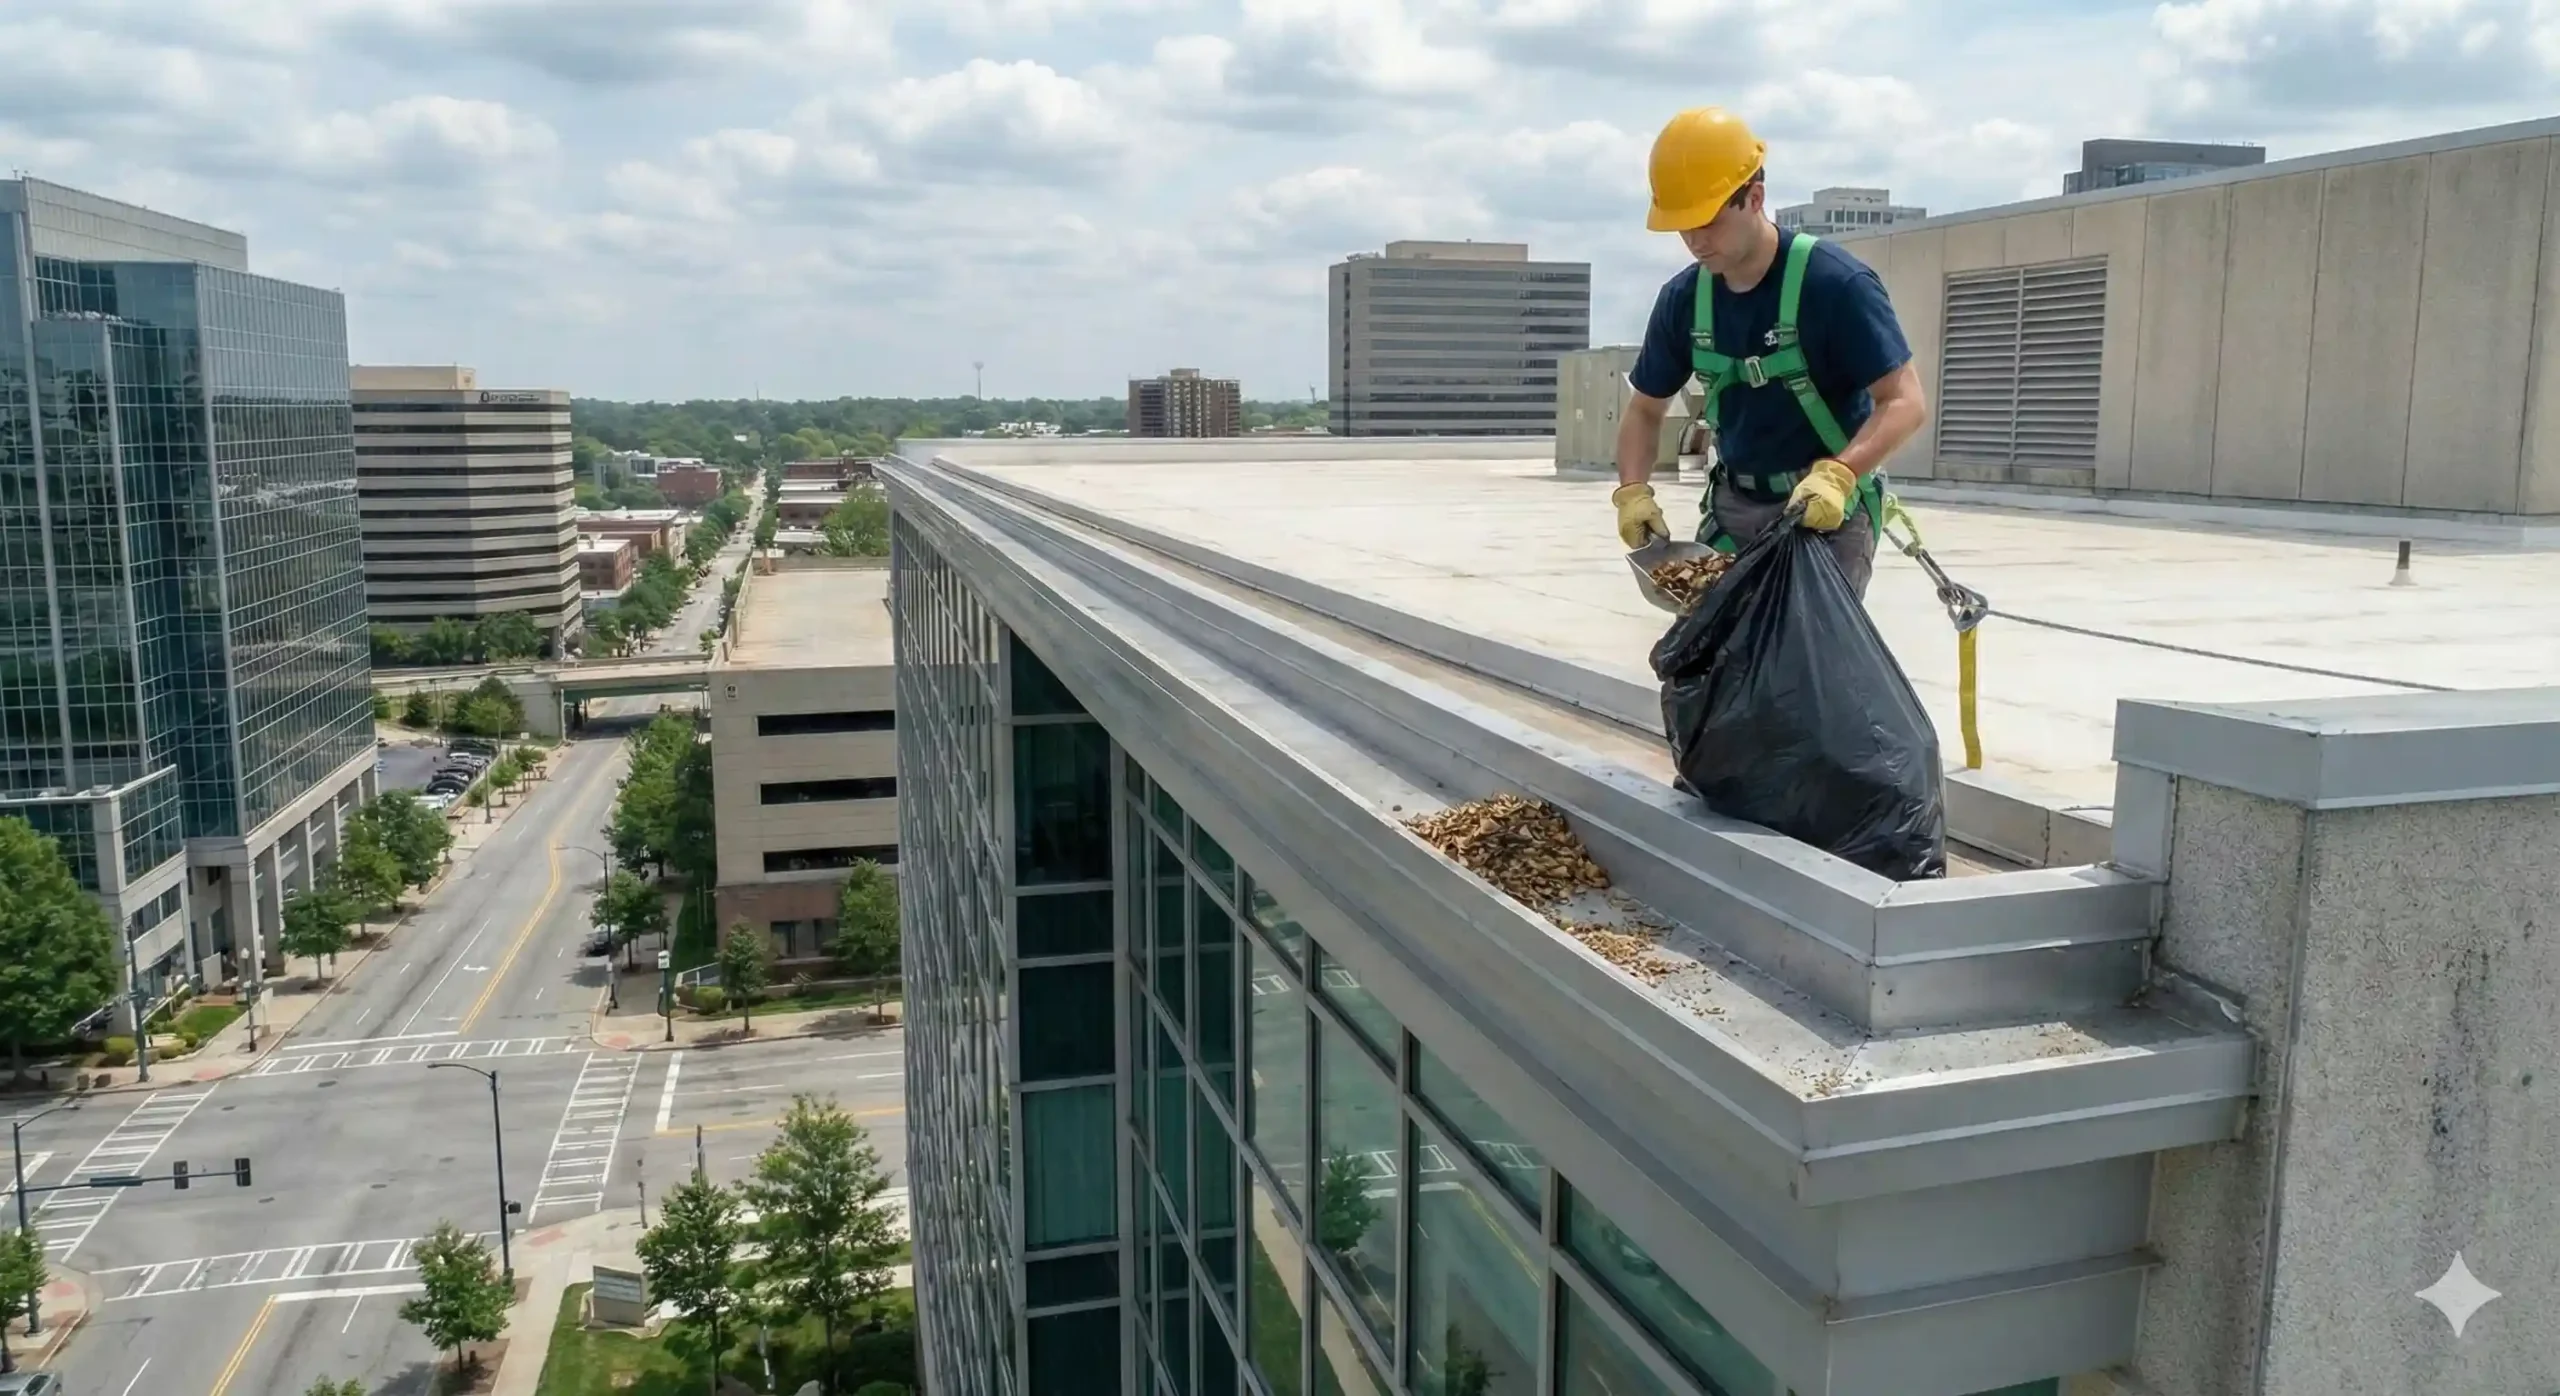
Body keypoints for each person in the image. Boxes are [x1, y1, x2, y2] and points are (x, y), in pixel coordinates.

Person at [1610, 107, 1930, 600]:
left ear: (1754, 198)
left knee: (1805, 660)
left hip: (1825, 510)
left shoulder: (1834, 285)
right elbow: (1645, 410)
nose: (1694, 241)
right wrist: (1632, 492)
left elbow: (1905, 401)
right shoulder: (1683, 301)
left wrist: (1840, 474)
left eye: (1707, 221)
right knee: (1716, 661)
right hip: (1735, 504)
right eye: (1682, 226)